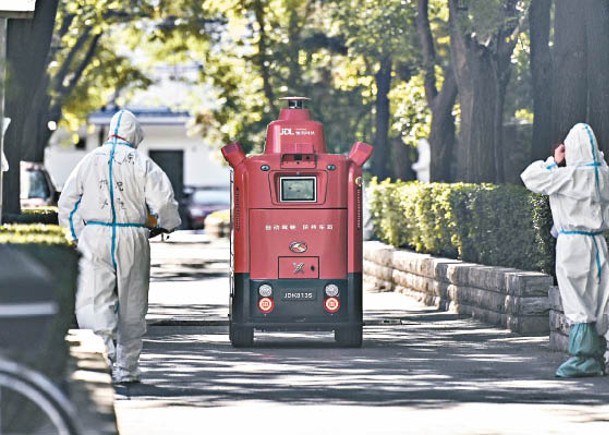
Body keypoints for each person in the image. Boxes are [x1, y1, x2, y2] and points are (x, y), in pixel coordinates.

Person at [58, 109, 181, 383]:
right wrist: (167, 224)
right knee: (132, 301)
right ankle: (126, 369)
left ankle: (102, 356)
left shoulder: (89, 161)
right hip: (133, 237)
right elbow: (163, 203)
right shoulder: (142, 162)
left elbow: (68, 203)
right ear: (135, 135)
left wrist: (77, 236)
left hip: (94, 236)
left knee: (93, 297)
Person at [521, 122, 609, 378]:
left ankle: (584, 358)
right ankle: (598, 354)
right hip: (598, 243)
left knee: (578, 301)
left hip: (572, 245)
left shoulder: (564, 177)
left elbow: (530, 176)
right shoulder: (603, 176)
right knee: (601, 299)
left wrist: (554, 160)